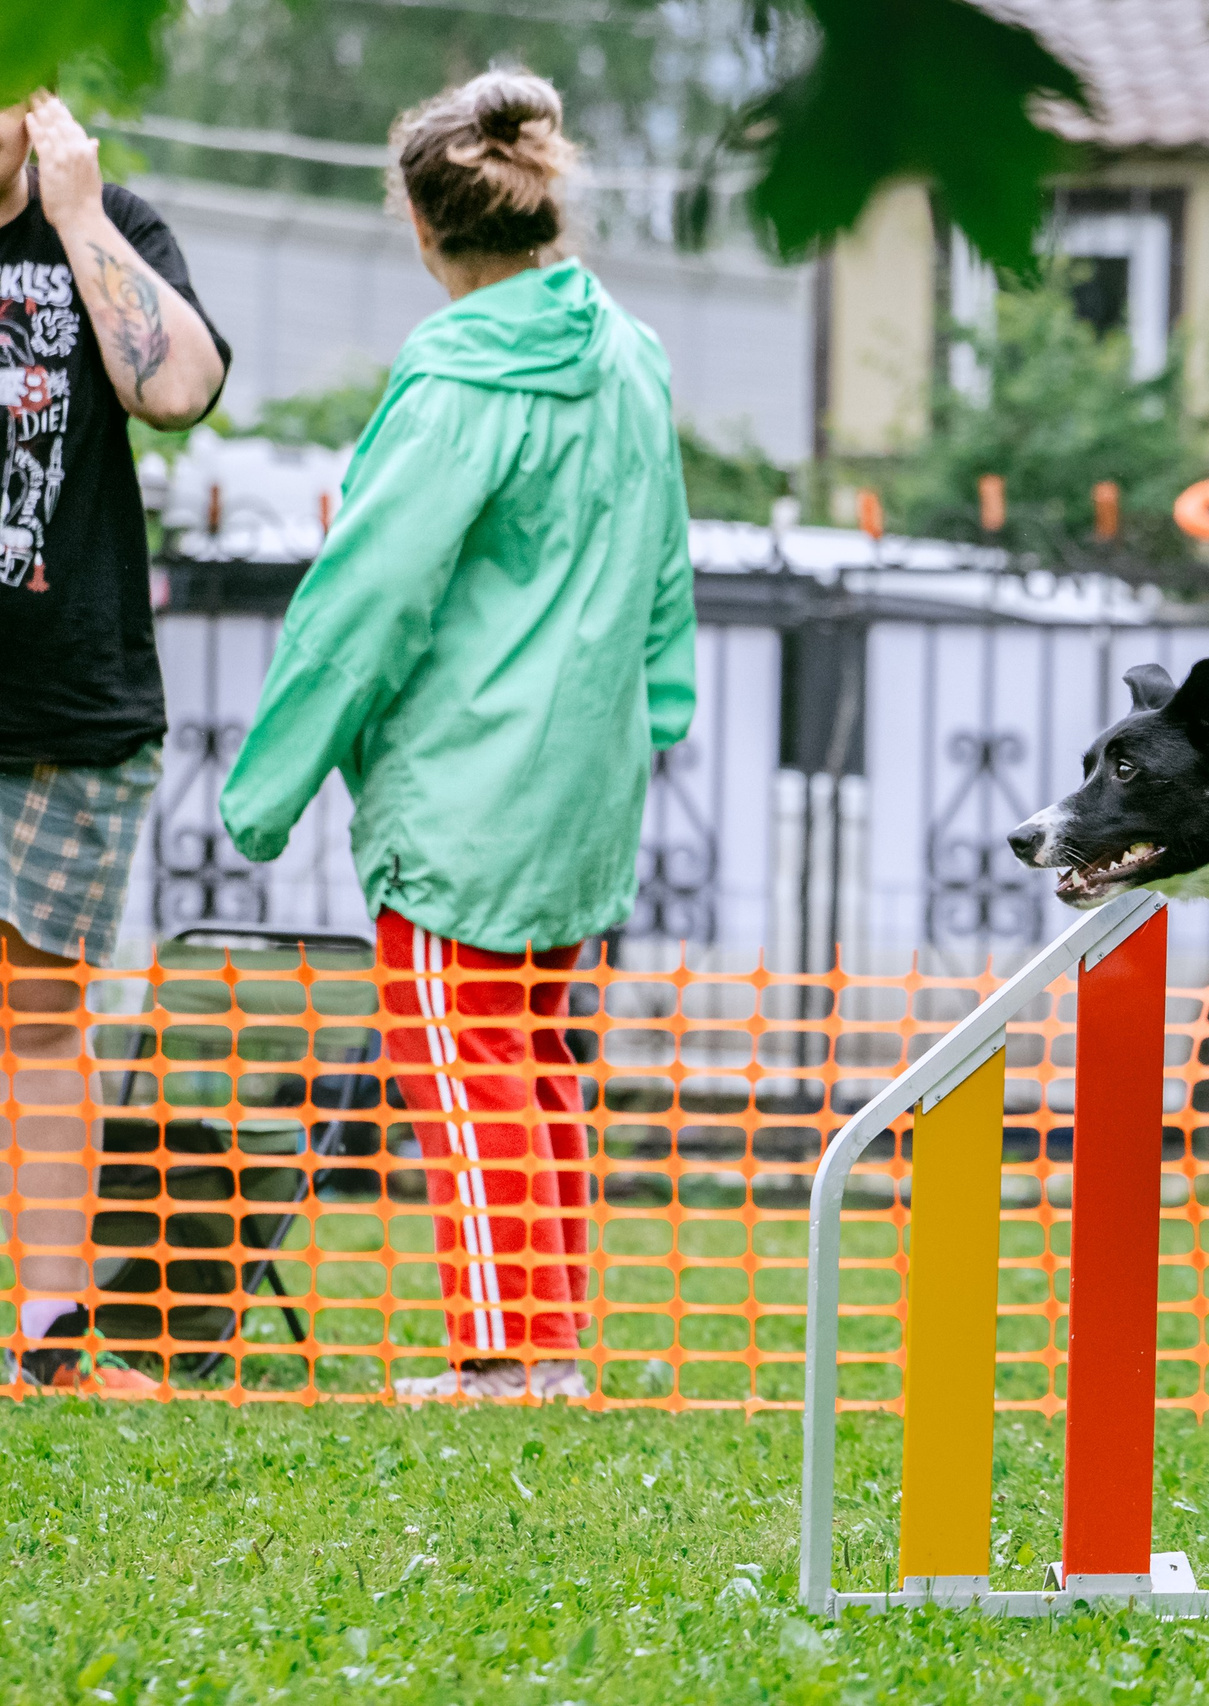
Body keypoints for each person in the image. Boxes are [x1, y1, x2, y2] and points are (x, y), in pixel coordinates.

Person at [219, 69, 696, 1401]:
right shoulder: (631, 355)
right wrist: (656, 713)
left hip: (463, 800)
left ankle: (500, 1357)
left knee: (462, 1062)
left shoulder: (452, 384)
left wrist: (266, 785)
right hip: (587, 791)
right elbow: (668, 564)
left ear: (423, 230)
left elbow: (362, 598)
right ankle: (545, 1349)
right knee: (536, 1055)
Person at [0, 93, 231, 1391]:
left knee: (41, 1024)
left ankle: (50, 1341)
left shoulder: (108, 225)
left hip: (69, 714)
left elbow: (180, 390)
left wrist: (80, 212)